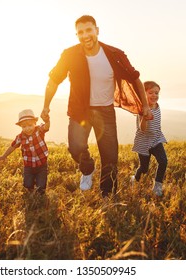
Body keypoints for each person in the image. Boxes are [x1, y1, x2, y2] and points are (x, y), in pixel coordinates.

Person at [40, 15, 151, 198]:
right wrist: (46, 106)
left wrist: (145, 106)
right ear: (77, 35)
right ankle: (87, 168)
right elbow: (53, 81)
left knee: (110, 158)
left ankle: (107, 196)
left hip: (105, 112)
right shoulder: (69, 54)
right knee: (75, 148)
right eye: (80, 32)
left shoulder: (115, 55)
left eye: (89, 30)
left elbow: (135, 79)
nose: (85, 35)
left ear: (96, 31)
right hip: (79, 111)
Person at [0, 109, 51, 194]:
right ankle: (30, 195)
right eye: (24, 126)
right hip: (28, 166)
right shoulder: (20, 137)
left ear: (35, 123)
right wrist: (4, 156)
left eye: (30, 125)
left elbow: (46, 127)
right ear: (21, 127)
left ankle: (40, 197)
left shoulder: (39, 130)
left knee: (41, 186)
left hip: (41, 165)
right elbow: (12, 146)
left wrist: (47, 120)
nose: (27, 128)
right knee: (28, 185)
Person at [131, 81, 168, 196]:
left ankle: (157, 186)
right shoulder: (142, 109)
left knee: (163, 161)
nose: (154, 95)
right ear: (143, 94)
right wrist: (145, 119)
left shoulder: (157, 106)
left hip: (156, 139)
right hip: (144, 142)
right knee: (144, 168)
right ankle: (134, 178)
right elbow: (142, 129)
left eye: (156, 93)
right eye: (150, 92)